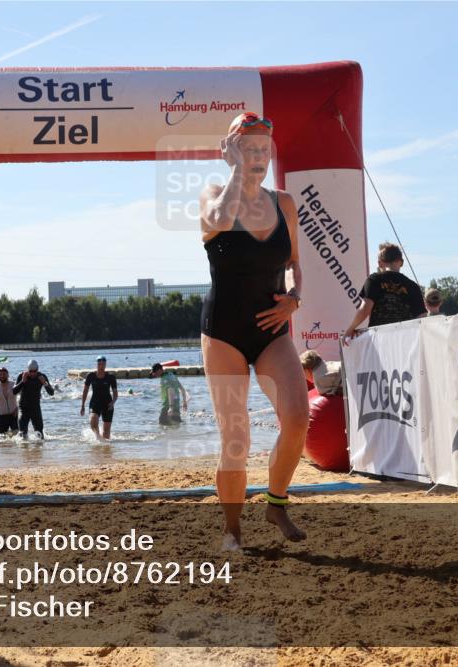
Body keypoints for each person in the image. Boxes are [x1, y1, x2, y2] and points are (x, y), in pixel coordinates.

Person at [200, 111, 309, 550]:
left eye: (264, 149)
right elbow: (221, 221)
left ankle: (276, 502)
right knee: (236, 435)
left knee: (298, 419)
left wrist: (296, 297)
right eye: (248, 148)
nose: (259, 156)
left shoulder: (284, 203)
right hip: (223, 331)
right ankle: (231, 528)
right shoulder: (211, 196)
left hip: (271, 328)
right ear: (229, 152)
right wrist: (237, 172)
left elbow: (296, 262)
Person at [344, 242, 425, 339]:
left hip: (379, 340)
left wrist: (351, 328)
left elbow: (365, 308)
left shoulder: (374, 280)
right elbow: (422, 317)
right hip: (405, 341)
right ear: (401, 262)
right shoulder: (413, 286)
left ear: (380, 263)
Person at [13, 359, 54, 439]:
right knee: (22, 433)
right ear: (27, 370)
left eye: (34, 371)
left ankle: (38, 451)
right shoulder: (21, 376)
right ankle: (24, 450)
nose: (32, 373)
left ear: (37, 369)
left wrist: (45, 384)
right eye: (30, 371)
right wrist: (22, 381)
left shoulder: (42, 376)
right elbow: (14, 391)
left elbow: (51, 393)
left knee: (40, 434)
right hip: (23, 408)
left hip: (35, 408)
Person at [81, 356, 118, 440]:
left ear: (105, 365)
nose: (101, 366)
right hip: (95, 403)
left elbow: (115, 394)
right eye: (99, 364)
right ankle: (98, 437)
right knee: (92, 421)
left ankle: (105, 450)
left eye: (103, 364)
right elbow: (85, 391)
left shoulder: (110, 377)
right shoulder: (90, 376)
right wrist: (82, 405)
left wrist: (112, 402)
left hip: (108, 404)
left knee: (106, 433)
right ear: (97, 365)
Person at [0, 367, 20, 434]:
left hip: (13, 415)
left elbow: (23, 397)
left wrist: (17, 408)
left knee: (16, 436)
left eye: (4, 374)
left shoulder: (14, 385)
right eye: (0, 374)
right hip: (1, 416)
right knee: (1, 437)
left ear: (8, 375)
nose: (2, 376)